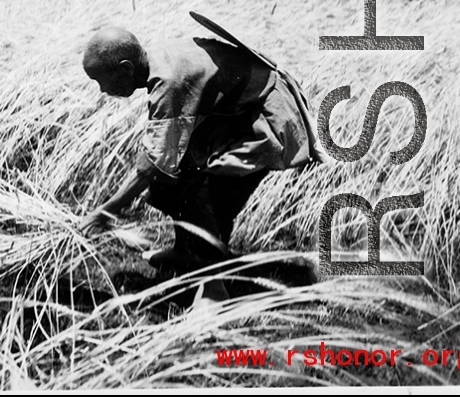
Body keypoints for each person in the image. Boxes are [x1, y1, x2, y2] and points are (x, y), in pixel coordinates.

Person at [80, 23, 324, 289]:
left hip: (263, 115)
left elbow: (150, 165)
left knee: (209, 200)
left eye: (101, 80)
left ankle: (213, 291)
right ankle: (185, 251)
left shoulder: (169, 82)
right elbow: (161, 160)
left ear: (126, 68)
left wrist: (104, 213)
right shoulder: (156, 61)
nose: (102, 90)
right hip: (234, 114)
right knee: (170, 184)